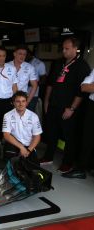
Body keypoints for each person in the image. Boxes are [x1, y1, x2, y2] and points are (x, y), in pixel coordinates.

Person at [41, 37, 91, 174]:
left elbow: (82, 91)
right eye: (63, 48)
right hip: (53, 104)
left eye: (67, 49)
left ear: (75, 49)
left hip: (68, 107)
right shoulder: (58, 63)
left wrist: (72, 108)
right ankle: (48, 156)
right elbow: (50, 83)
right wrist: (46, 101)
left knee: (69, 136)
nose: (64, 51)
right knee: (51, 132)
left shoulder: (82, 66)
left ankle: (68, 162)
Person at [62, 69, 94, 179]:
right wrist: (89, 86)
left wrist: (92, 86)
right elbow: (83, 87)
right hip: (92, 107)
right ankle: (81, 169)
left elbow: (89, 86)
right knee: (87, 139)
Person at [2, 91, 42, 162]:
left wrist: (29, 150)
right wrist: (21, 147)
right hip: (13, 145)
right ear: (13, 103)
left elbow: (37, 136)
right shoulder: (7, 115)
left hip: (28, 146)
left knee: (33, 168)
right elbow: (6, 135)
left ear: (26, 103)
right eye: (18, 101)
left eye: (23, 101)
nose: (21, 104)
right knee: (12, 166)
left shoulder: (34, 116)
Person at [7, 45, 38, 110]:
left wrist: (27, 101)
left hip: (21, 100)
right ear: (14, 54)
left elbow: (35, 85)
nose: (22, 56)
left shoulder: (30, 67)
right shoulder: (6, 66)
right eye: (20, 54)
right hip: (7, 98)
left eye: (24, 54)